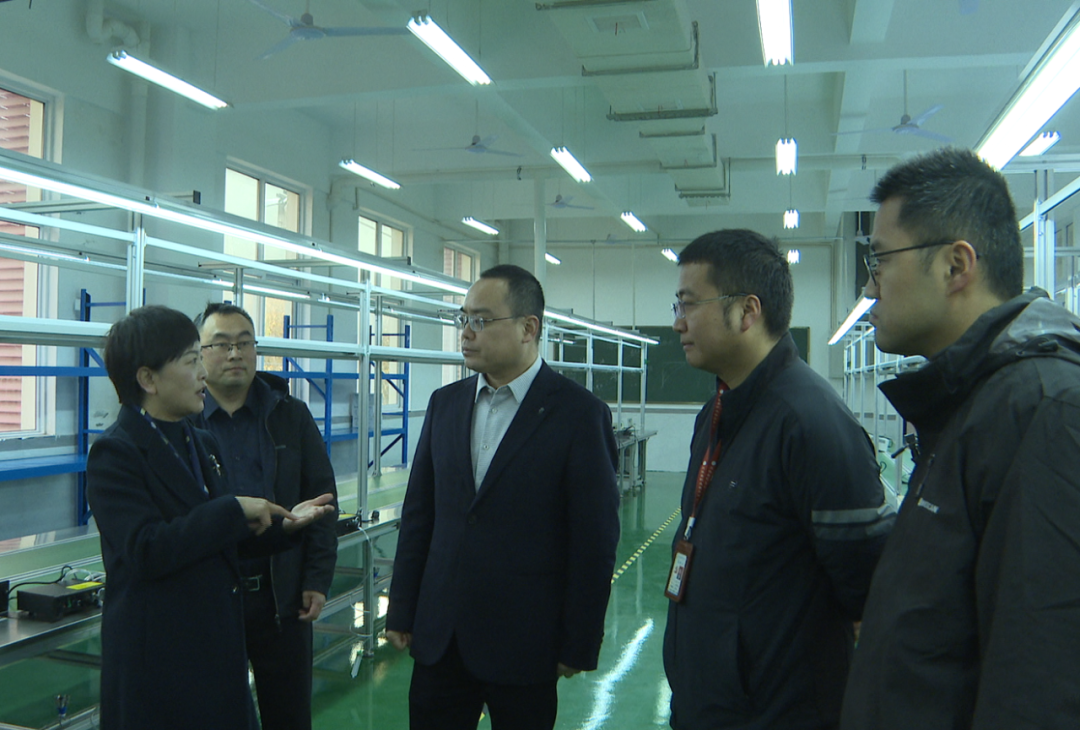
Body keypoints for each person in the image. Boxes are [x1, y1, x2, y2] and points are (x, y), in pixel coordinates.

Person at [840, 148, 1080, 729]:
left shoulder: (1042, 412)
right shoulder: (970, 404)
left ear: (955, 266)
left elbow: (1039, 685)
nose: (870, 287)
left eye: (880, 261)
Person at [664, 230, 894, 730]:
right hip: (710, 704)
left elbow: (868, 587)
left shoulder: (810, 424)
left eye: (689, 304)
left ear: (747, 311)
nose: (678, 322)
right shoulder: (718, 412)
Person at [385, 264, 621, 730]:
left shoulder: (578, 415)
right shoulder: (445, 404)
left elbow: (593, 541)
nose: (466, 332)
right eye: (463, 318)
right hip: (441, 638)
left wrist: (579, 641)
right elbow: (420, 516)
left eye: (481, 320)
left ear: (528, 328)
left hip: (526, 642)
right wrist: (402, 608)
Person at [87, 305, 335, 730]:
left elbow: (224, 540)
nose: (203, 372)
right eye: (191, 361)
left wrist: (285, 529)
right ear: (148, 379)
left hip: (218, 649)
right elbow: (146, 549)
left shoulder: (198, 441)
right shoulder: (116, 453)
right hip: (160, 662)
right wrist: (232, 509)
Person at [191, 302, 339, 730]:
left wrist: (316, 579)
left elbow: (321, 500)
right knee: (214, 715)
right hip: (211, 601)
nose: (234, 353)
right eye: (221, 344)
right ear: (199, 354)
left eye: (244, 343)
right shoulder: (186, 423)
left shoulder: (289, 415)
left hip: (281, 600)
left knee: (288, 715)